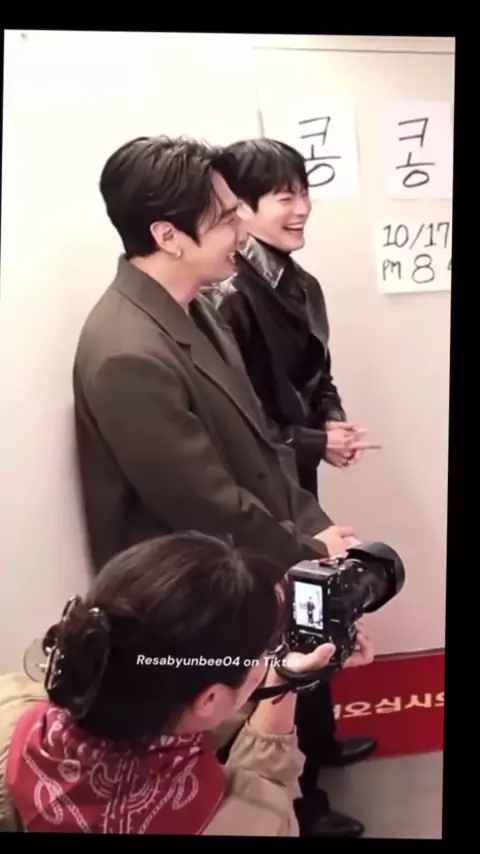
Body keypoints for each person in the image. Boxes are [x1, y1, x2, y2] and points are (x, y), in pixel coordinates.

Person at [72, 135, 356, 584]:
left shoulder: (198, 307)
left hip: (244, 566)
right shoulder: (127, 354)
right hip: (187, 594)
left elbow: (260, 449)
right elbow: (203, 502)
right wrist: (309, 549)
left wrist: (313, 524)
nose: (242, 230)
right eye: (226, 218)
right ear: (168, 237)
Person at [205, 138, 381, 837]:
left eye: (305, 191)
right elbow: (238, 420)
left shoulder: (299, 281)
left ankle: (322, 746)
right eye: (284, 195)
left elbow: (319, 374)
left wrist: (331, 427)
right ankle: (301, 799)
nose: (301, 207)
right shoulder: (227, 296)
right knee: (284, 626)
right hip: (261, 489)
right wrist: (313, 441)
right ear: (241, 209)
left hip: (295, 479)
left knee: (317, 605)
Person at [1, 532, 374, 834]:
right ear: (209, 699)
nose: (267, 659)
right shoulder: (250, 819)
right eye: (263, 651)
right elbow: (265, 790)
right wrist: (287, 679)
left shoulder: (12, 703)